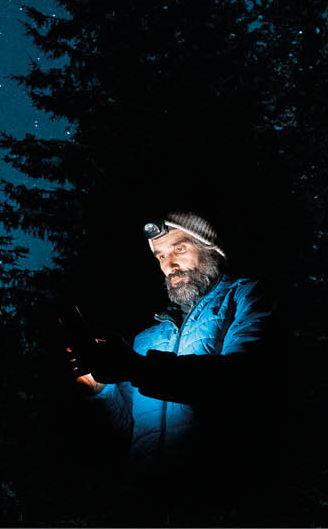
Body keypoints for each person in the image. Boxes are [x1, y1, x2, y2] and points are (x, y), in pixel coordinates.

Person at [68, 211, 285, 523]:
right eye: (160, 256)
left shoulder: (246, 298)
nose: (168, 266)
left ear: (212, 250)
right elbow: (125, 424)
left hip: (219, 501)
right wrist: (97, 387)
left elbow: (240, 381)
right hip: (146, 503)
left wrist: (138, 369)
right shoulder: (147, 338)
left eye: (179, 249)